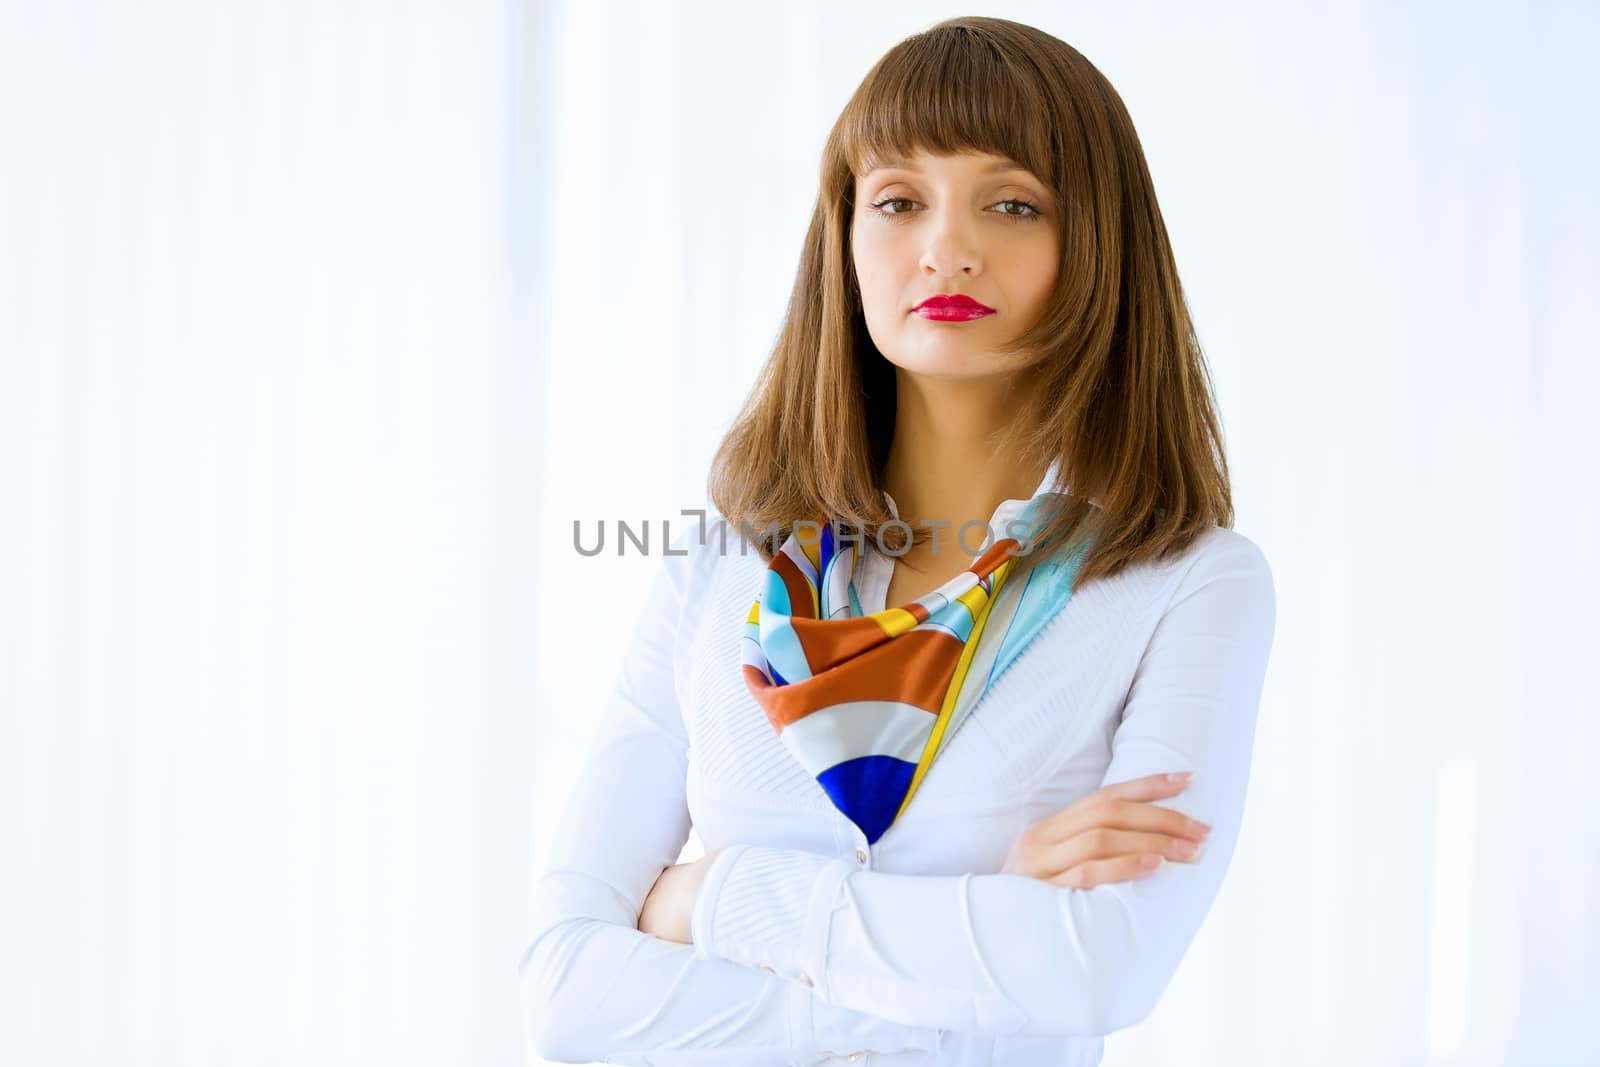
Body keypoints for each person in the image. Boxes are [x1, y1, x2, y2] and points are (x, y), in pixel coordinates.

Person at [520, 15, 1276, 1066]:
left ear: (1098, 245)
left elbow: (1098, 971)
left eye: (1012, 203)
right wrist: (981, 925)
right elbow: (563, 990)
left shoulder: (1187, 585)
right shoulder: (722, 564)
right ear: (846, 240)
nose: (946, 248)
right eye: (898, 201)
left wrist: (708, 897)